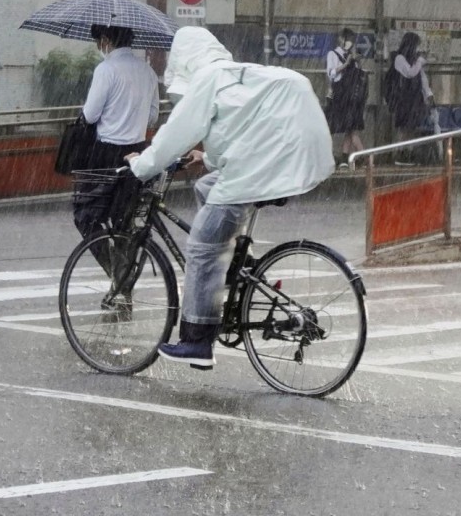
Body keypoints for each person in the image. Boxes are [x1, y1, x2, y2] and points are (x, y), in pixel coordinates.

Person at [127, 27, 333, 368]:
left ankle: (197, 341)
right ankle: (239, 262)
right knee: (206, 187)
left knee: (202, 247)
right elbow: (245, 129)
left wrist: (142, 166)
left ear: (185, 59)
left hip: (261, 167)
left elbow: (175, 133)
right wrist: (206, 159)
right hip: (283, 155)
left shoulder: (208, 78)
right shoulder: (234, 75)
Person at [73, 24, 160, 253]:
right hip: (138, 153)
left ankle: (111, 267)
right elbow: (152, 117)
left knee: (87, 216)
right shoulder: (148, 71)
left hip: (106, 155)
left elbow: (90, 116)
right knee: (125, 218)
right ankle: (125, 270)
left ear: (104, 40)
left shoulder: (106, 69)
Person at [385, 31, 433, 165]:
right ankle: (400, 154)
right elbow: (410, 73)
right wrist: (419, 61)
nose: (418, 48)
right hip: (403, 100)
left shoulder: (414, 60)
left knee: (411, 128)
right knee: (403, 128)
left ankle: (409, 153)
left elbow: (422, 79)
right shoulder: (399, 59)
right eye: (417, 45)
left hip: (414, 100)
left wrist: (428, 95)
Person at [324, 28, 367, 167]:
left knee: (351, 129)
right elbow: (331, 73)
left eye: (352, 41)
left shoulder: (351, 55)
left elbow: (358, 75)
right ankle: (364, 157)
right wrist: (346, 64)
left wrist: (357, 61)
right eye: (348, 40)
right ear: (341, 39)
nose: (350, 43)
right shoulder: (333, 54)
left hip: (353, 98)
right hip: (342, 97)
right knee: (350, 129)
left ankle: (344, 158)